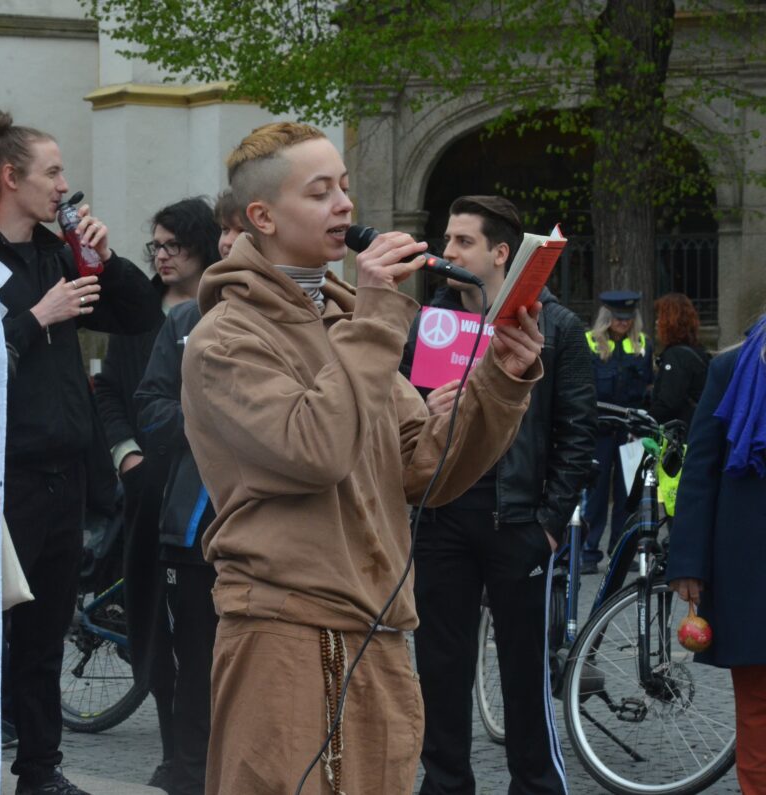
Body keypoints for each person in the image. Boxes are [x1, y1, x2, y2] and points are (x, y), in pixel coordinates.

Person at [180, 122, 546, 795]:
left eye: (345, 187)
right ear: (261, 217)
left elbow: (423, 468)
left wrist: (499, 380)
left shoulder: (345, 321)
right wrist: (379, 314)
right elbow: (314, 450)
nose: (346, 206)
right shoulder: (224, 339)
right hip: (286, 629)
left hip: (377, 632)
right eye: (320, 192)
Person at [0, 107, 158, 795]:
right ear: (10, 178)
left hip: (67, 471)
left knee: (44, 634)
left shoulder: (58, 251)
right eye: (53, 172)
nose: (65, 186)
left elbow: (136, 315)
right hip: (3, 470)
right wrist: (35, 318)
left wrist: (106, 255)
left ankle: (40, 768)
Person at [399, 195, 596, 795]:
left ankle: (535, 785)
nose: (446, 251)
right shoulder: (430, 321)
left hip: (518, 524)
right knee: (440, 664)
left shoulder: (555, 326)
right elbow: (401, 416)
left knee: (523, 671)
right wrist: (420, 406)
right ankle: (446, 783)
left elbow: (577, 433)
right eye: (447, 238)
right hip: (441, 518)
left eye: (462, 241)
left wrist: (548, 526)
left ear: (500, 253)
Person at [92, 196, 220, 792]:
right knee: (156, 624)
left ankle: (197, 755)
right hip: (151, 487)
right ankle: (176, 748)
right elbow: (115, 393)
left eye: (175, 246)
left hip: (203, 489)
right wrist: (128, 456)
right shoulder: (141, 309)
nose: (164, 257)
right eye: (157, 246)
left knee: (199, 636)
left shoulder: (220, 307)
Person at [126, 191, 238, 795]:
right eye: (222, 233)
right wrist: (209, 421)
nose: (227, 244)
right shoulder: (183, 322)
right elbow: (149, 406)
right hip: (191, 527)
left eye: (235, 232)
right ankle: (189, 775)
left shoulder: (314, 316)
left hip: (270, 532)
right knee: (191, 669)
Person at [667, 314, 766, 794]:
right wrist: (688, 562)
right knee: (758, 710)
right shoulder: (731, 370)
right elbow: (699, 470)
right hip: (750, 571)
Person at [582, 290, 654, 569]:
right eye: (617, 318)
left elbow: (648, 386)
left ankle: (619, 552)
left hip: (631, 432)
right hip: (599, 429)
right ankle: (588, 553)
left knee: (628, 495)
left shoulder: (643, 344)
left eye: (627, 318)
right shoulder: (589, 342)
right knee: (596, 494)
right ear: (606, 317)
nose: (622, 323)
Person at [650, 292, 710, 426]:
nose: (657, 322)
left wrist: (646, 420)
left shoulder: (676, 356)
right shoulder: (698, 351)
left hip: (681, 430)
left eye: (660, 317)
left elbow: (669, 402)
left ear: (669, 321)